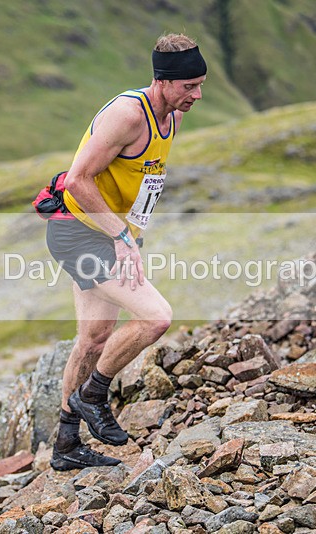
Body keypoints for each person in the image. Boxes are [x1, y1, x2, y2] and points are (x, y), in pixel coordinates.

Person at [44, 33, 206, 470]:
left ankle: (65, 444)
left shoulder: (172, 116)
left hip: (113, 235)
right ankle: (92, 396)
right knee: (156, 317)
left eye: (201, 84)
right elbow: (78, 179)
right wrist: (122, 237)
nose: (197, 94)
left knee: (93, 339)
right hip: (79, 232)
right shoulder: (127, 115)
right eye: (188, 86)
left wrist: (131, 236)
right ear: (163, 80)